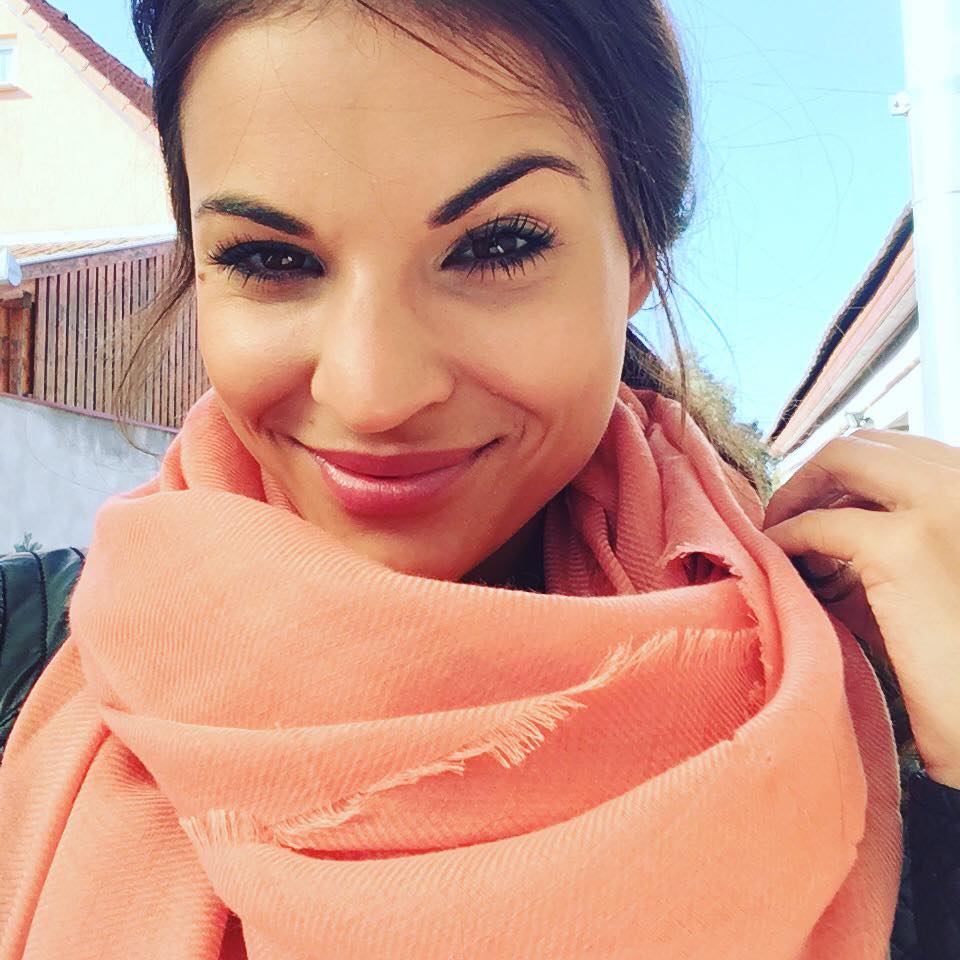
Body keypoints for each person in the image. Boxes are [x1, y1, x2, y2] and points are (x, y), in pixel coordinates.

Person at [0, 1, 957, 957]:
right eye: (271, 258)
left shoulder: (883, 695)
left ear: (637, 257)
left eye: (497, 246)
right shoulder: (21, 650)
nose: (374, 393)